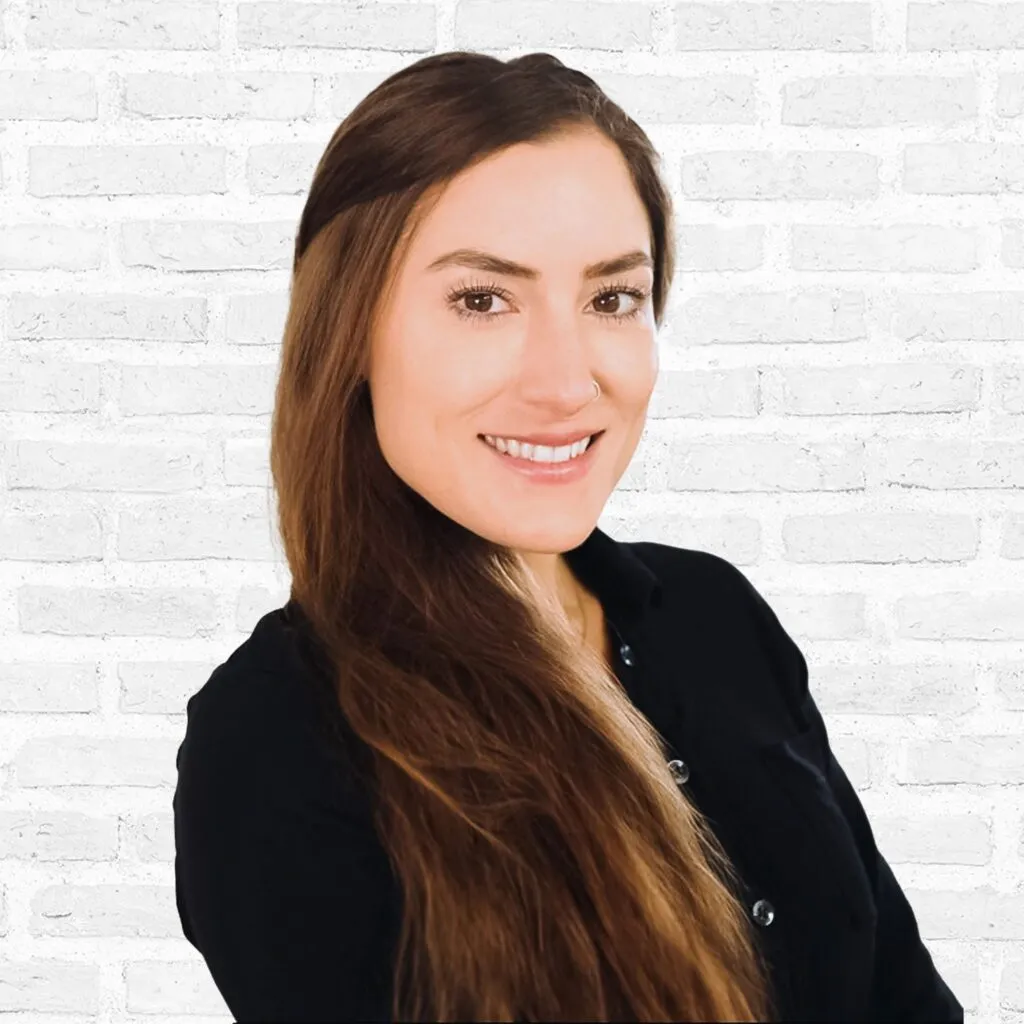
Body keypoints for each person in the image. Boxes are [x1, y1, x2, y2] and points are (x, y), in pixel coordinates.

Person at [172, 50, 965, 1022]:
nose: (564, 380)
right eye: (481, 299)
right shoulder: (277, 739)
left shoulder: (714, 613)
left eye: (610, 298)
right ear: (351, 332)